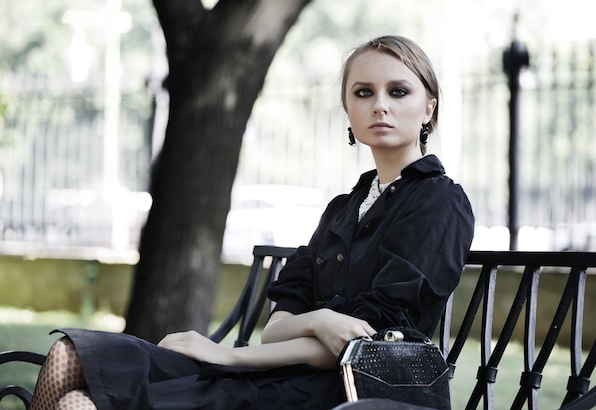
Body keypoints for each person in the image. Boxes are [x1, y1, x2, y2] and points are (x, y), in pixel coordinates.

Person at [28, 35, 474, 410]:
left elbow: (364, 344)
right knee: (68, 355)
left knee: (75, 405)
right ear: (348, 111)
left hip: (351, 395)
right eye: (363, 92)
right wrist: (319, 318)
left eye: (398, 92)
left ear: (428, 108)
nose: (380, 106)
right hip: (282, 373)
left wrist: (227, 356)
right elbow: (277, 326)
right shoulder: (345, 206)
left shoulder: (439, 201)